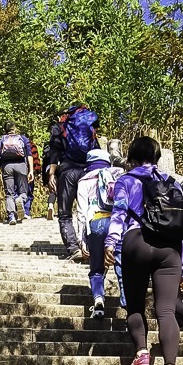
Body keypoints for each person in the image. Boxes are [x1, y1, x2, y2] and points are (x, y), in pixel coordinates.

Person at [105, 134, 183, 365]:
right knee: (166, 311)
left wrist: (111, 242)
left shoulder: (125, 180)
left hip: (136, 244)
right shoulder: (173, 184)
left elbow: (119, 212)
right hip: (169, 248)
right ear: (157, 157)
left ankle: (142, 354)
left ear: (131, 157)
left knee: (135, 305)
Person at [44, 102, 100, 260]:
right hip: (88, 172)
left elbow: (54, 151)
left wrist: (51, 174)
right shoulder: (90, 127)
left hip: (67, 172)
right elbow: (97, 151)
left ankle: (74, 248)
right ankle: (89, 247)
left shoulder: (60, 126)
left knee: (65, 213)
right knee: (90, 211)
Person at [75, 142, 124, 320]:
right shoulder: (118, 175)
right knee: (121, 265)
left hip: (95, 223)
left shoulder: (84, 181)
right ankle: (128, 302)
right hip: (116, 223)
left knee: (96, 268)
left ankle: (98, 301)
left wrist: (81, 241)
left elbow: (81, 213)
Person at [0, 123, 33, 225]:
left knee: (9, 193)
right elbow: (29, 155)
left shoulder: (1, 141)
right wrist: (31, 171)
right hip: (21, 166)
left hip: (7, 167)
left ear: (5, 130)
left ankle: (11, 216)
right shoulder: (23, 139)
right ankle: (20, 199)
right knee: (23, 191)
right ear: (14, 129)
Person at [26, 138, 41, 218]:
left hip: (16, 171)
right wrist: (38, 171)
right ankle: (26, 211)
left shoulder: (14, 143)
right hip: (29, 171)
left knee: (16, 191)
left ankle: (14, 213)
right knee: (29, 191)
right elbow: (35, 159)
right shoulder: (31, 145)